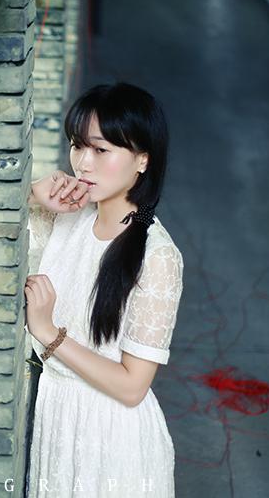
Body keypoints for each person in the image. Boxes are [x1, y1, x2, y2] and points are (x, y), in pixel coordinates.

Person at [24, 82, 184, 497]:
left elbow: (132, 387)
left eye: (100, 150)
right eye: (77, 146)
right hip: (57, 424)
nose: (83, 163)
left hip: (113, 441)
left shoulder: (157, 256)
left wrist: (49, 334)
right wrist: (33, 194)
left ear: (142, 159)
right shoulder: (65, 219)